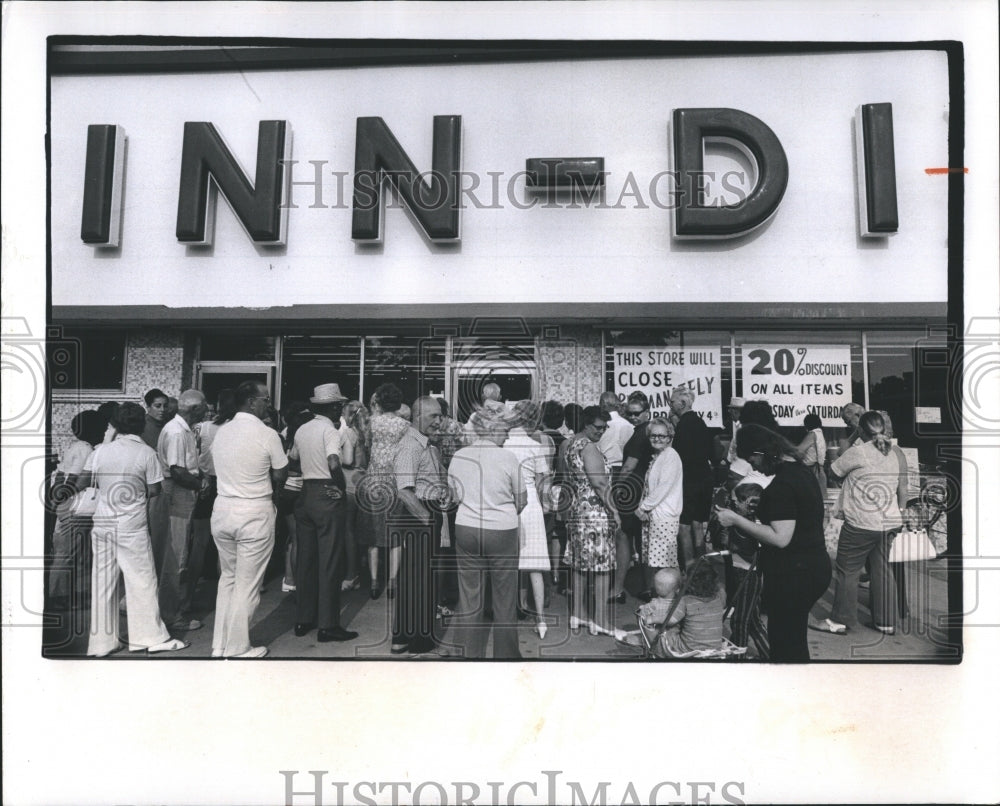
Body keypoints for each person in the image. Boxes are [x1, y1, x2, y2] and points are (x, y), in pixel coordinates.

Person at [714, 424, 831, 662]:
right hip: (812, 566)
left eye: (752, 461)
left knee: (786, 646)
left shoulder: (782, 485)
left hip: (794, 573)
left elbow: (780, 538)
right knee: (793, 640)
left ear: (761, 454)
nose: (754, 467)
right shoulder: (801, 472)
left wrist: (735, 518)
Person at [78, 402, 187, 656]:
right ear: (141, 425)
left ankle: (102, 643)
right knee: (141, 580)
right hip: (131, 526)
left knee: (103, 582)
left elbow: (84, 480)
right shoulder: (147, 453)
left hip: (102, 523)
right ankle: (149, 638)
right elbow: (154, 490)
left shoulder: (100, 451)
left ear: (114, 425)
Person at [208, 381, 289, 658]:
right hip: (254, 510)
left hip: (222, 509)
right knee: (248, 583)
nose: (268, 403)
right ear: (252, 402)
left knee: (228, 579)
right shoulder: (267, 434)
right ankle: (239, 646)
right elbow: (280, 474)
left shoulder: (222, 432)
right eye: (265, 399)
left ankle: (219, 645)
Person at [817, 411, 906, 635]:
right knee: (882, 570)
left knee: (848, 570)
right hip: (890, 521)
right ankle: (886, 622)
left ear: (861, 431)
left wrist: (852, 437)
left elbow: (833, 471)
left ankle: (839, 620)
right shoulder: (896, 452)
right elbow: (902, 485)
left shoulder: (858, 452)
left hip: (861, 522)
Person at [446, 410, 527, 658]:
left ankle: (469, 654)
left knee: (470, 595)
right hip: (501, 530)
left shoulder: (459, 456)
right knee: (504, 597)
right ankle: (506, 655)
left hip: (467, 528)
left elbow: (454, 497)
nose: (507, 437)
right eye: (504, 431)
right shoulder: (508, 458)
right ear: (491, 430)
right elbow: (521, 500)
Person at [290, 383, 358, 642]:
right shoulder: (330, 431)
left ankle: (303, 618)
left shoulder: (302, 429)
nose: (340, 409)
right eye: (338, 405)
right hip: (326, 493)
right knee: (329, 560)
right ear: (332, 407)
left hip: (305, 493)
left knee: (306, 559)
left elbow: (293, 457)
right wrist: (339, 487)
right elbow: (333, 462)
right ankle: (328, 624)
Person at [388, 396, 448, 654]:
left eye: (440, 416)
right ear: (417, 417)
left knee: (417, 579)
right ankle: (418, 641)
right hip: (420, 515)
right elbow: (404, 490)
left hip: (425, 511)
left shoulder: (426, 445)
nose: (439, 421)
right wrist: (427, 519)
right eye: (433, 416)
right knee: (420, 581)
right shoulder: (410, 445)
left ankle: (403, 637)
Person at [563, 406, 625, 640]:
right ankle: (601, 621)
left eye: (604, 427)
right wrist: (615, 511)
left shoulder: (571, 445)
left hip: (579, 511)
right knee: (602, 568)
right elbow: (600, 485)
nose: (601, 431)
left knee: (579, 565)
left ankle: (578, 614)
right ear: (586, 425)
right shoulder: (589, 448)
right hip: (596, 513)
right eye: (598, 427)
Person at [155, 388, 208, 632]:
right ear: (195, 409)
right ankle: (171, 615)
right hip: (177, 494)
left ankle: (170, 609)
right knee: (176, 556)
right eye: (204, 406)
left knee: (177, 553)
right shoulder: (177, 432)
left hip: (181, 492)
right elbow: (177, 470)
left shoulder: (181, 429)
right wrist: (199, 485)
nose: (207, 410)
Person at [504, 400, 553, 639]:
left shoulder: (503, 446)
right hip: (532, 502)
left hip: (507, 502)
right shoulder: (536, 446)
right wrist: (545, 506)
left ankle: (509, 613)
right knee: (535, 563)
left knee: (509, 562)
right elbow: (545, 482)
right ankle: (541, 620)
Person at [48, 410, 105, 611]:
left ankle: (65, 595)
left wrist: (56, 501)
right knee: (69, 554)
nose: (105, 430)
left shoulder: (75, 446)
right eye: (102, 427)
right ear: (93, 429)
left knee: (66, 552)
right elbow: (73, 478)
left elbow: (60, 475)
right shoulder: (86, 450)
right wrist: (64, 500)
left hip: (66, 505)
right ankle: (59, 597)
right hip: (75, 505)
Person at [359, 384, 410, 599]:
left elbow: (366, 447)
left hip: (373, 481)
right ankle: (392, 582)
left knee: (373, 534)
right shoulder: (405, 425)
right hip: (394, 482)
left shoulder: (372, 423)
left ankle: (373, 581)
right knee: (395, 535)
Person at [634, 418, 683, 597]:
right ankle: (660, 595)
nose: (657, 439)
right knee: (655, 560)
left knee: (666, 561)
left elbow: (663, 487)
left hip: (664, 515)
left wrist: (643, 507)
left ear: (670, 437)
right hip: (655, 514)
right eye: (653, 435)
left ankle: (673, 597)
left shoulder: (670, 456)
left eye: (662, 435)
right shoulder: (659, 456)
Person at [637, 564, 726, 657]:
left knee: (670, 632)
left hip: (689, 648)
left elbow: (671, 620)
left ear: (688, 582)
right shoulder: (718, 599)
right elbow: (722, 595)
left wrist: (652, 619)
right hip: (715, 647)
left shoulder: (686, 600)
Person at [669, 387, 713, 569]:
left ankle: (688, 568)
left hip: (688, 482)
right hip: (704, 479)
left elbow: (678, 457)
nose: (670, 405)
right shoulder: (700, 423)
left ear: (683, 403)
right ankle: (703, 566)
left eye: (672, 402)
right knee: (698, 525)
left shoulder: (684, 426)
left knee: (684, 525)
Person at [597, 391, 634, 604]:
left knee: (612, 528)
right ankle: (618, 579)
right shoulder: (628, 425)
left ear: (603, 404)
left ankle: (611, 580)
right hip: (626, 473)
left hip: (610, 472)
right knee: (621, 530)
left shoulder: (605, 426)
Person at [796, 413, 828, 494]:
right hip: (820, 469)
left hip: (811, 470)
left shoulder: (812, 434)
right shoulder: (820, 434)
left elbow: (799, 451)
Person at [725, 396, 745, 464]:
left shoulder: (742, 428)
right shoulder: (739, 426)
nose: (729, 411)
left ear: (736, 411)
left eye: (731, 409)